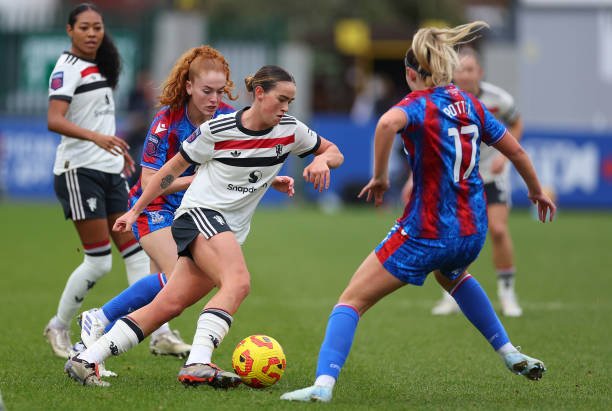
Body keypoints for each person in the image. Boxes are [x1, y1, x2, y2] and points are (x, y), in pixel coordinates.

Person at [280, 21, 556, 403]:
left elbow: (386, 122)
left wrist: (378, 177)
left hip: (427, 231)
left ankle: (322, 386)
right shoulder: (470, 102)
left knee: (350, 301)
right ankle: (509, 351)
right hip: (471, 231)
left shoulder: (417, 104)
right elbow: (517, 152)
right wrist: (537, 191)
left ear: (411, 74)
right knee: (453, 276)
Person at [64, 65, 344, 387]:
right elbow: (168, 172)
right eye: (281, 99)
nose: (285, 108)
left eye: (290, 102)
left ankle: (87, 359)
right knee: (237, 282)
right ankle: (198, 362)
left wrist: (322, 160)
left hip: (226, 229)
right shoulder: (219, 129)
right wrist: (135, 210)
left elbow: (333, 151)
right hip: (198, 215)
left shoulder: (292, 130)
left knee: (168, 304)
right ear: (260, 94)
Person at [77, 45, 238, 363]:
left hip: (189, 211)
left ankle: (158, 337)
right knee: (177, 278)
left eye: (220, 92)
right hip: (151, 206)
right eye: (207, 91)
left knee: (165, 287)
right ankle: (98, 317)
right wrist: (201, 181)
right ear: (189, 86)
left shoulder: (224, 120)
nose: (214, 99)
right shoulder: (166, 123)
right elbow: (151, 182)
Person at [44, 2, 150, 359]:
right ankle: (58, 325)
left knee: (136, 251)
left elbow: (100, 121)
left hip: (109, 170)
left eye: (98, 27)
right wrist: (97, 139)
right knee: (99, 261)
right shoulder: (67, 67)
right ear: (69, 30)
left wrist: (116, 151)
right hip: (79, 171)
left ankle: (157, 329)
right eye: (85, 27)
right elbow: (55, 119)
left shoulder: (99, 66)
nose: (92, 33)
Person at [431, 46, 525, 317]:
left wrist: (505, 156)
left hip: (491, 174)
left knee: (497, 229)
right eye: (459, 69)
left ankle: (507, 294)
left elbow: (516, 122)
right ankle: (450, 293)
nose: (464, 74)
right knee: (451, 234)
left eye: (470, 69)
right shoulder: (444, 99)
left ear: (480, 73)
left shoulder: (498, 99)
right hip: (458, 175)